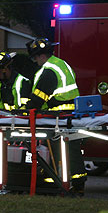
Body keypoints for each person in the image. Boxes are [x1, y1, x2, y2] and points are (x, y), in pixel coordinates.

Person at [24, 37, 86, 193]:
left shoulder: (48, 71)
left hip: (58, 117)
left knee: (57, 151)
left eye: (36, 57)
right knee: (71, 151)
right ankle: (77, 184)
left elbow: (38, 98)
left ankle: (53, 183)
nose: (35, 60)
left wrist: (25, 109)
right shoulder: (62, 64)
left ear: (42, 56)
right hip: (70, 115)